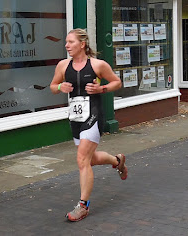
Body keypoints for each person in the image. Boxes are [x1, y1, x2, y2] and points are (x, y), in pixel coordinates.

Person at [50, 28, 128, 222]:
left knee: (82, 160)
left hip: (93, 116)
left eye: (71, 42)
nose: (66, 46)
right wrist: (60, 87)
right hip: (75, 118)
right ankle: (117, 161)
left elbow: (116, 82)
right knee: (90, 160)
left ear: (82, 44)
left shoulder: (97, 65)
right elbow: (52, 86)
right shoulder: (62, 66)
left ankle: (83, 206)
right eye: (66, 42)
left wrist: (101, 88)